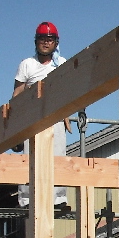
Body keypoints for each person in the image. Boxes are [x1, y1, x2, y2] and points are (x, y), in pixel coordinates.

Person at [13, 21, 72, 210]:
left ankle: (58, 199)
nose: (46, 43)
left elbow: (69, 90)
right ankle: (26, 200)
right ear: (36, 42)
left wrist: (70, 113)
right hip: (31, 117)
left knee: (58, 157)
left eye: (50, 39)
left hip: (56, 115)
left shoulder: (61, 63)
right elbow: (17, 94)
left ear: (56, 43)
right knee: (29, 158)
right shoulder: (27, 64)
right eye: (42, 39)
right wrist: (14, 125)